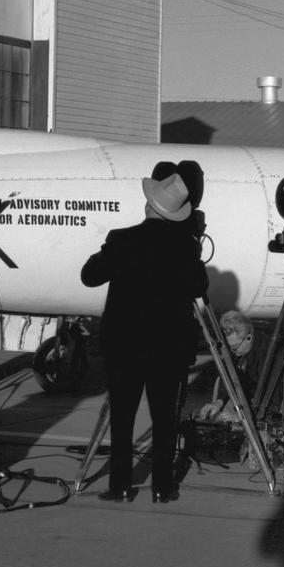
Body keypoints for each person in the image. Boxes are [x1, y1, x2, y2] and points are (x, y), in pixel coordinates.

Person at [81, 172, 208, 503]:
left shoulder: (121, 239)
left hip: (124, 342)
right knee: (164, 418)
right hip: (168, 345)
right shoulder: (186, 245)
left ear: (148, 205)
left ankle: (121, 485)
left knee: (122, 416)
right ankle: (163, 487)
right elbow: (199, 287)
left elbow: (89, 276)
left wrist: (107, 254)